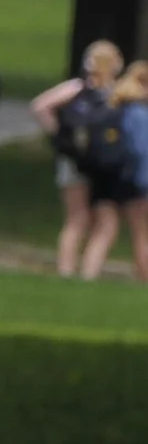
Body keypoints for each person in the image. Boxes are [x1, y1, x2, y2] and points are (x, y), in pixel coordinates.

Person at [33, 39, 128, 277]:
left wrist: (59, 138)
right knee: (106, 222)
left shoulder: (77, 88)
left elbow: (40, 106)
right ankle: (89, 272)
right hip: (104, 165)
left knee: (76, 219)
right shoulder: (117, 93)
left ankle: (65, 270)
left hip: (73, 161)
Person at [78, 58, 148, 283]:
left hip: (106, 175)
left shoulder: (114, 108)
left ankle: (88, 274)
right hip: (134, 181)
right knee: (140, 232)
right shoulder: (139, 113)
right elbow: (141, 150)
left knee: (104, 229)